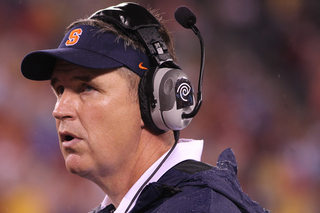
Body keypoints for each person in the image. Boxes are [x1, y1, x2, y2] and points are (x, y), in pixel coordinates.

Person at [21, 2, 270, 213]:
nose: (59, 109)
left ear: (153, 100)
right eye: (60, 90)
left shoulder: (200, 207)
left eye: (86, 87)